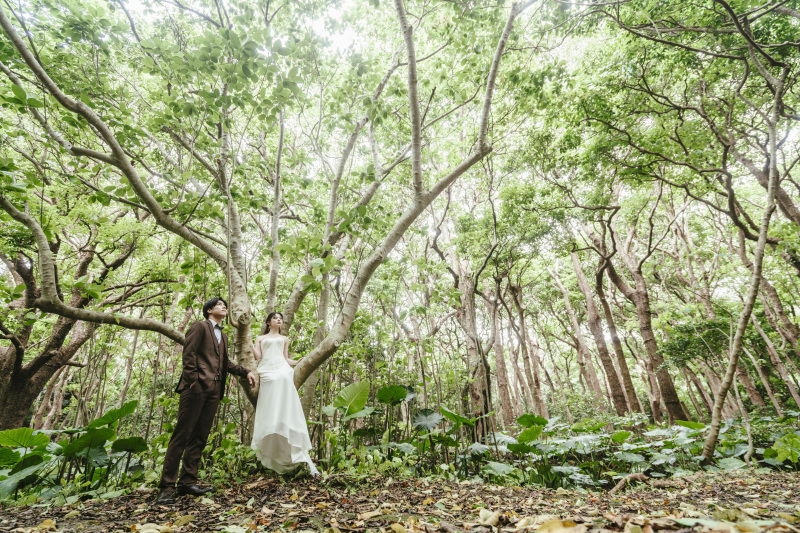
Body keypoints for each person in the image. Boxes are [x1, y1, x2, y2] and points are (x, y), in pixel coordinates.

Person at [156, 297, 257, 504]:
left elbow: (225, 363)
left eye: (225, 305)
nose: (224, 307)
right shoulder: (199, 326)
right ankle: (166, 486)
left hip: (214, 392)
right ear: (209, 309)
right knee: (182, 435)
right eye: (220, 304)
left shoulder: (225, 337)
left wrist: (245, 371)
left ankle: (187, 483)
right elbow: (189, 354)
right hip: (195, 389)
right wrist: (193, 382)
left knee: (200, 437)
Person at [250, 311, 319, 476]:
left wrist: (297, 362)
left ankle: (285, 419)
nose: (278, 320)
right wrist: (248, 341)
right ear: (268, 322)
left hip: (281, 369)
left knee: (283, 377)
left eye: (280, 318)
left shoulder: (285, 339)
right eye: (275, 318)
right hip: (266, 370)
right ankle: (271, 424)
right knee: (270, 391)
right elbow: (258, 356)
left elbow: (285, 358)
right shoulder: (261, 338)